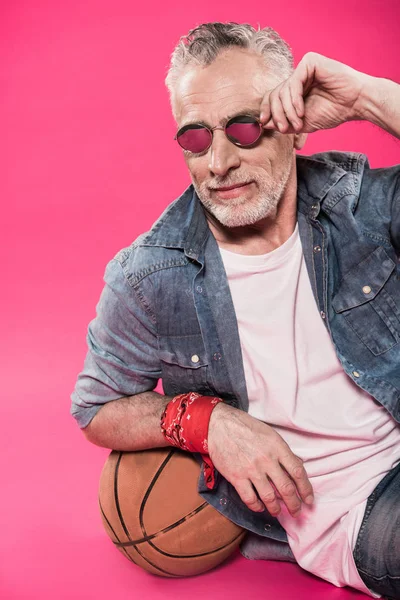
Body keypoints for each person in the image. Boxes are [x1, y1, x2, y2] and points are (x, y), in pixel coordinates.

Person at [70, 22, 400, 599]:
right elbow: (96, 409)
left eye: (244, 129)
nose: (218, 162)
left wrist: (370, 98)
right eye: (195, 139)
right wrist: (207, 421)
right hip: (355, 507)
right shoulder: (150, 277)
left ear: (293, 128)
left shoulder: (358, 207)